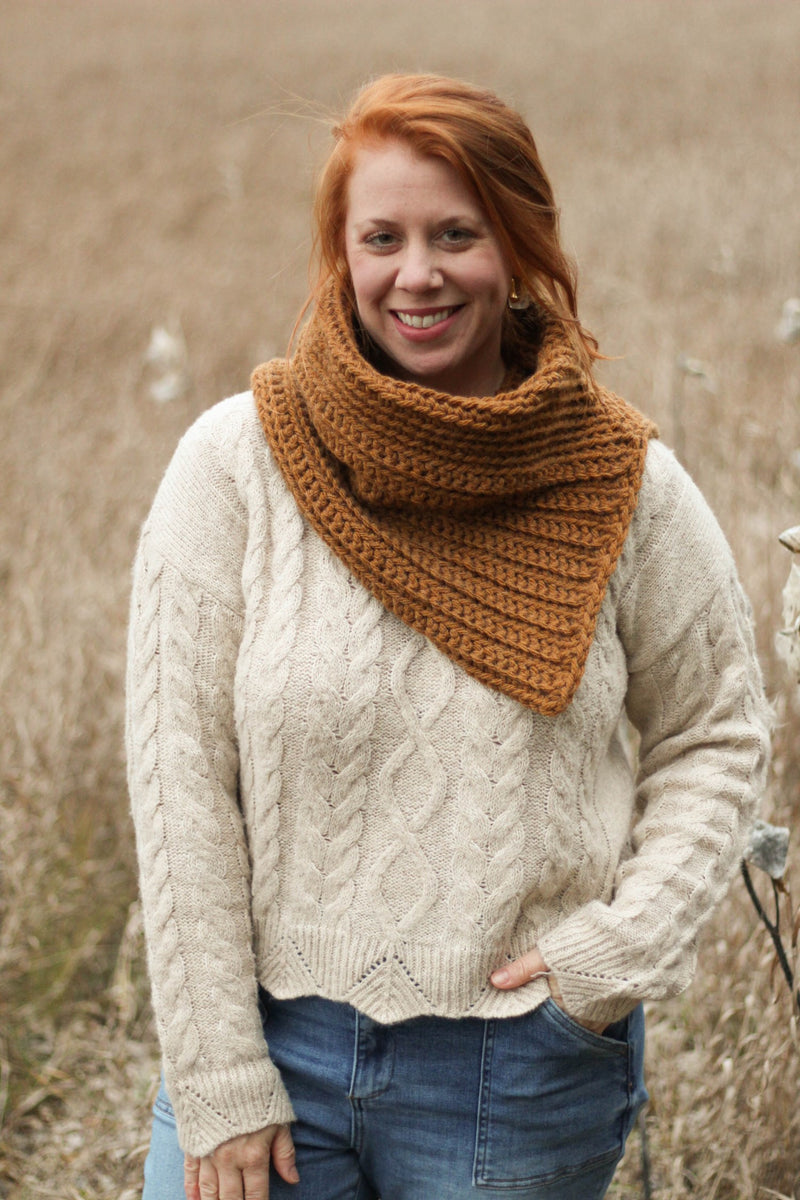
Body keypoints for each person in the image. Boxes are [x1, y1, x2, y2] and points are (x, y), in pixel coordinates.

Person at [127, 73, 770, 1200]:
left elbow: (715, 731)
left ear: (517, 248)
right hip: (271, 1049)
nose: (414, 273)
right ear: (341, 254)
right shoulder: (238, 467)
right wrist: (220, 1067)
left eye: (455, 234)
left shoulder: (621, 484)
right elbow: (178, 777)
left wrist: (612, 956)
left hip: (515, 1072)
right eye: (381, 236)